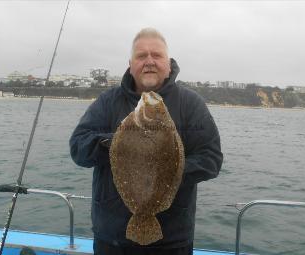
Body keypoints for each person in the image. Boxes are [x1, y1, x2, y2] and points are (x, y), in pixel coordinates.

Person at [69, 28, 223, 255]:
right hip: (111, 239)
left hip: (172, 241)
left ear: (169, 64)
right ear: (130, 65)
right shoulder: (107, 102)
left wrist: (167, 170)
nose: (149, 61)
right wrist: (117, 144)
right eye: (141, 56)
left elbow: (211, 159)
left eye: (157, 55)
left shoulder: (190, 104)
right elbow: (78, 147)